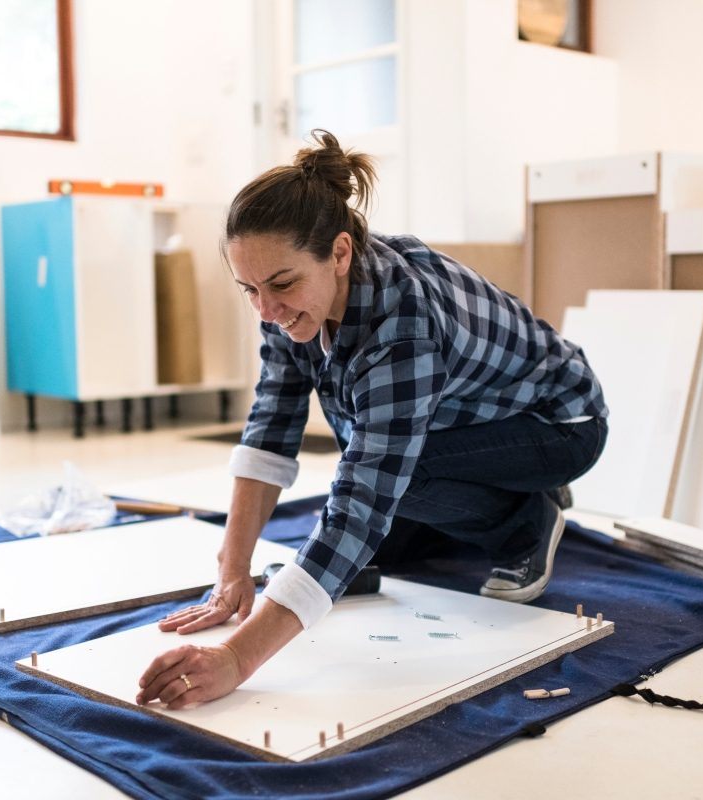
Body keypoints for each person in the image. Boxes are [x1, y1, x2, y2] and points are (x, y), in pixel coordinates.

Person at [136, 130, 608, 709]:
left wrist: (237, 657)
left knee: (390, 477)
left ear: (339, 253)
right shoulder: (286, 296)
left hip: (559, 423)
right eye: (249, 289)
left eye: (280, 285)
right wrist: (232, 571)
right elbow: (270, 428)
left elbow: (364, 493)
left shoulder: (401, 320)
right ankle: (451, 514)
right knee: (365, 452)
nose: (266, 309)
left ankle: (526, 520)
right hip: (461, 418)